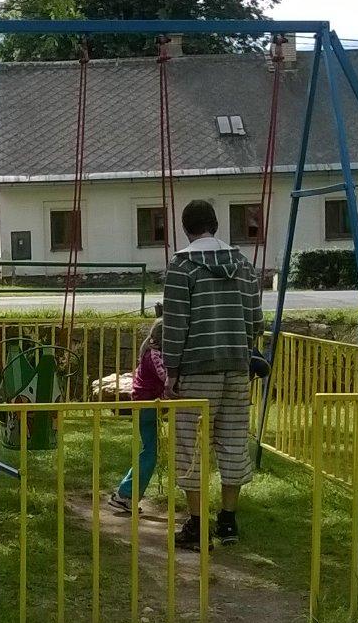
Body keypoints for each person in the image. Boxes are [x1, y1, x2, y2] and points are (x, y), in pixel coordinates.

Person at [161, 198, 265, 548]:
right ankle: (228, 521)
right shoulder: (243, 264)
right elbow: (256, 320)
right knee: (233, 441)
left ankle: (196, 526)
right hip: (236, 366)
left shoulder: (182, 266)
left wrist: (171, 372)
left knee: (190, 446)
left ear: (185, 228)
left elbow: (176, 324)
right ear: (216, 225)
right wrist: (245, 353)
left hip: (196, 369)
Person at [108, 318, 167, 513]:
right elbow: (165, 378)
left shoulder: (150, 352)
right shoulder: (155, 356)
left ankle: (126, 493)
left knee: (150, 450)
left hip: (147, 405)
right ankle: (125, 494)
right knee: (150, 452)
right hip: (146, 406)